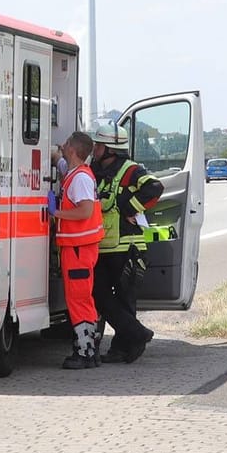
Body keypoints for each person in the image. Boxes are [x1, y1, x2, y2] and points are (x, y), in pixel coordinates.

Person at [89, 130, 164, 363]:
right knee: (98, 295)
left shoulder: (131, 170)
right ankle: (138, 333)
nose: (95, 150)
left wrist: (130, 208)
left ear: (110, 149)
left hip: (127, 246)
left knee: (125, 298)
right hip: (102, 246)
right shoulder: (94, 172)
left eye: (98, 146)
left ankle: (123, 348)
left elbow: (154, 187)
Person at [50, 131, 105, 370]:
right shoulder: (75, 174)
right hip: (78, 248)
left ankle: (84, 352)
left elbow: (84, 211)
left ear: (73, 149)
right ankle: (90, 350)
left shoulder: (81, 178)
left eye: (67, 143)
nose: (63, 144)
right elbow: (61, 162)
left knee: (79, 301)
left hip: (78, 248)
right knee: (82, 299)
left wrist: (56, 213)